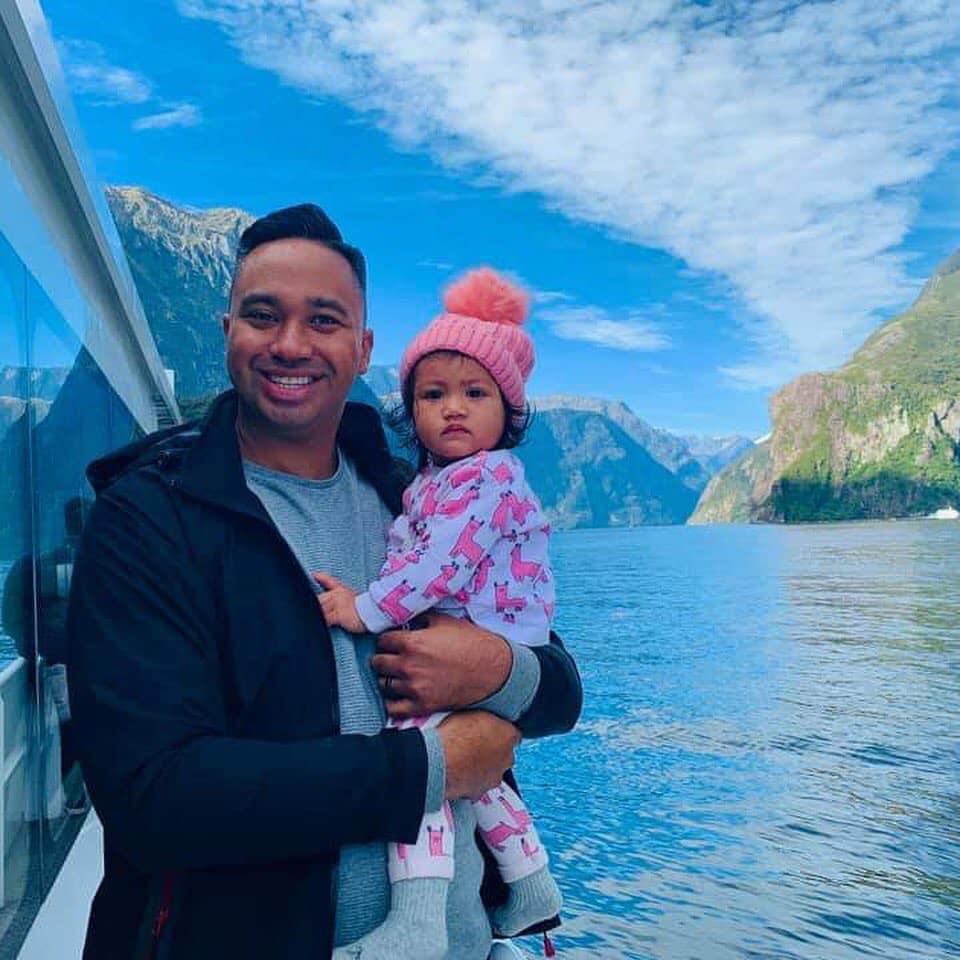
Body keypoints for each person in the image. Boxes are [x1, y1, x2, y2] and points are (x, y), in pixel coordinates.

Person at [66, 203, 582, 960]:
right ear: (227, 332)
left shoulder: (410, 492)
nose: (290, 344)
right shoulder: (147, 520)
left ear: (363, 346)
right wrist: (426, 768)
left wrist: (496, 668)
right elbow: (156, 796)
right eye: (263, 315)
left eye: (325, 320)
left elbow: (559, 689)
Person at [316, 268, 561, 960]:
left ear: (507, 413)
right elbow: (410, 549)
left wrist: (362, 609)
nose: (453, 408)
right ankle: (531, 878)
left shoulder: (485, 479)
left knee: (421, 762)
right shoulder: (437, 481)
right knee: (474, 768)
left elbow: (438, 567)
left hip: (484, 636)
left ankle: (417, 921)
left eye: (474, 393)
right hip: (493, 633)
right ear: (411, 409)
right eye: (434, 394)